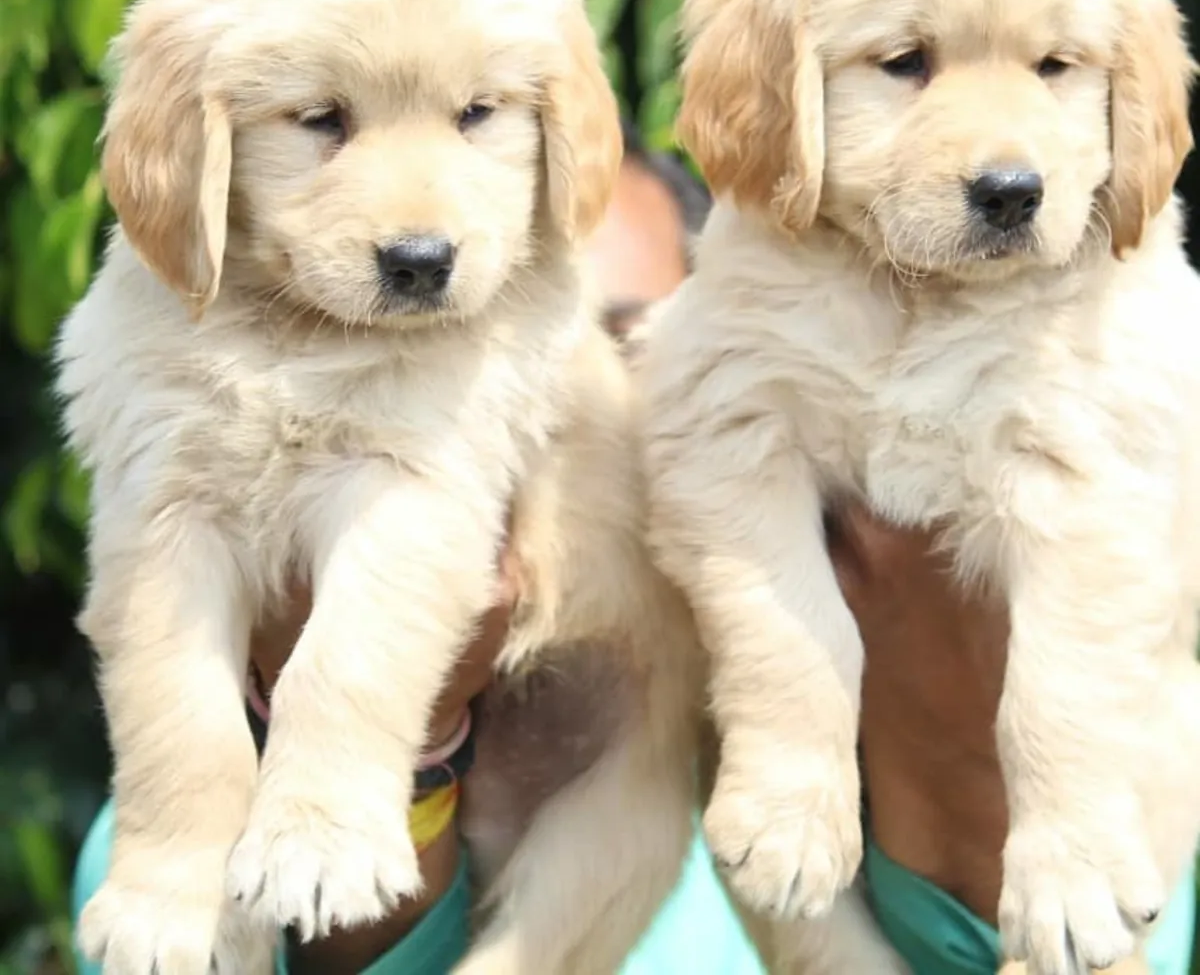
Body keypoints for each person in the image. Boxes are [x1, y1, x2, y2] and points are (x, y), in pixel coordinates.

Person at [72, 125, 1196, 975]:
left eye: (624, 342)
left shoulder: (1119, 741)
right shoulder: (184, 782)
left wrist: (937, 706)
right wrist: (414, 751)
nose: (590, 404)